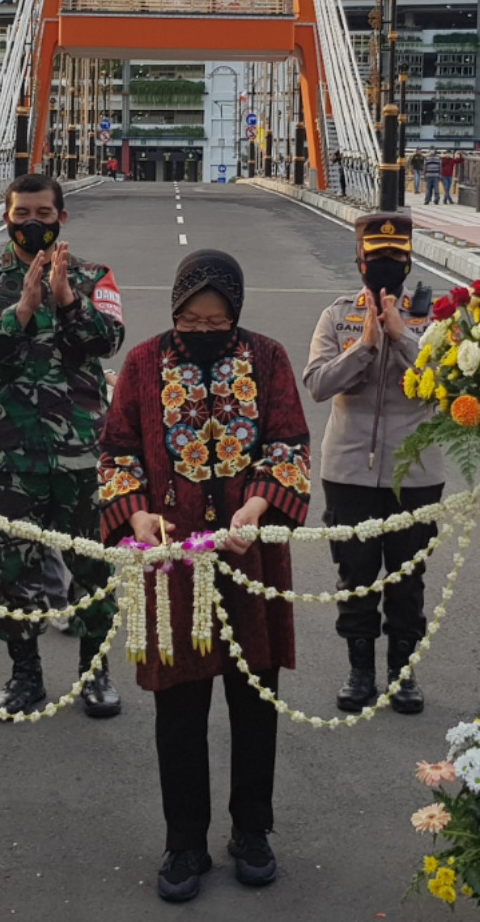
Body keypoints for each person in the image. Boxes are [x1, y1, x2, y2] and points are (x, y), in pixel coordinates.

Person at [97, 249, 310, 903]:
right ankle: (183, 840)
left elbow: (288, 443)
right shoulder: (142, 362)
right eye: (190, 318)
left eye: (216, 318)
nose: (202, 328)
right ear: (173, 312)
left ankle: (251, 830)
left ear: (236, 314)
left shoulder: (268, 358)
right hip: (172, 563)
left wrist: (255, 505)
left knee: (254, 702)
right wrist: (133, 517)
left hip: (252, 557)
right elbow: (117, 451)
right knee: (179, 710)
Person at [0, 175, 123, 718]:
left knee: (92, 566)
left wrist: (66, 301)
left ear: (61, 218)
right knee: (13, 569)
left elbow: (106, 340)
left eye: (44, 213)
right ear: (7, 218)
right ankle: (23, 674)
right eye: (23, 212)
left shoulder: (95, 275)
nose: (33, 222)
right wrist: (23, 309)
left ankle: (93, 672)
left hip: (81, 450)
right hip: (11, 451)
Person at [302, 214, 438, 715]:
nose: (384, 268)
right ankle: (360, 670)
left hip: (416, 472)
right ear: (358, 261)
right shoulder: (337, 316)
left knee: (407, 577)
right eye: (375, 258)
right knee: (355, 576)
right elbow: (317, 384)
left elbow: (448, 385)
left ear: (409, 261)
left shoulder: (437, 317)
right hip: (348, 470)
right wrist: (364, 347)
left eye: (394, 259)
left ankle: (403, 673)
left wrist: (404, 338)